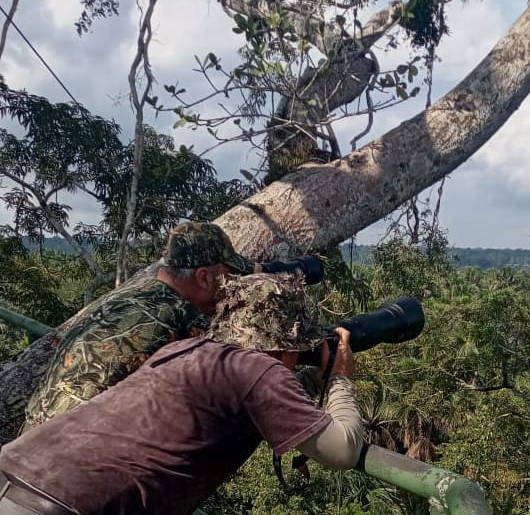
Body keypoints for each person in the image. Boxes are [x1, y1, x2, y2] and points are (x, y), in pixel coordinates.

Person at [0, 273, 364, 515]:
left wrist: (315, 379)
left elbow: (259, 401)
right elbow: (342, 450)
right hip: (56, 505)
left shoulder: (187, 350)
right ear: (287, 345)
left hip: (15, 475)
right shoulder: (256, 367)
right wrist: (340, 379)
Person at [22, 221, 256, 431]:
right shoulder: (184, 318)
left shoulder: (118, 299)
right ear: (204, 277)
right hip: (78, 461)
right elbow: (239, 382)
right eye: (231, 276)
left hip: (27, 449)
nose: (232, 285)